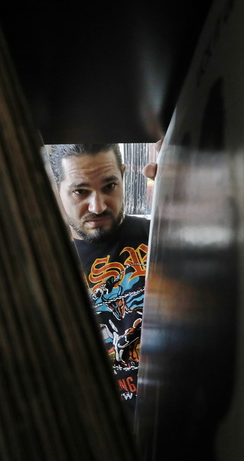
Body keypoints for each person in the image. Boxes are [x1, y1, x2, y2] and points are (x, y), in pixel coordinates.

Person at [47, 144, 152, 417]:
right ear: (57, 192)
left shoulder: (163, 237)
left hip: (176, 422)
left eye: (109, 186)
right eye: (80, 191)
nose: (98, 205)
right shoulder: (44, 266)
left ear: (124, 176)